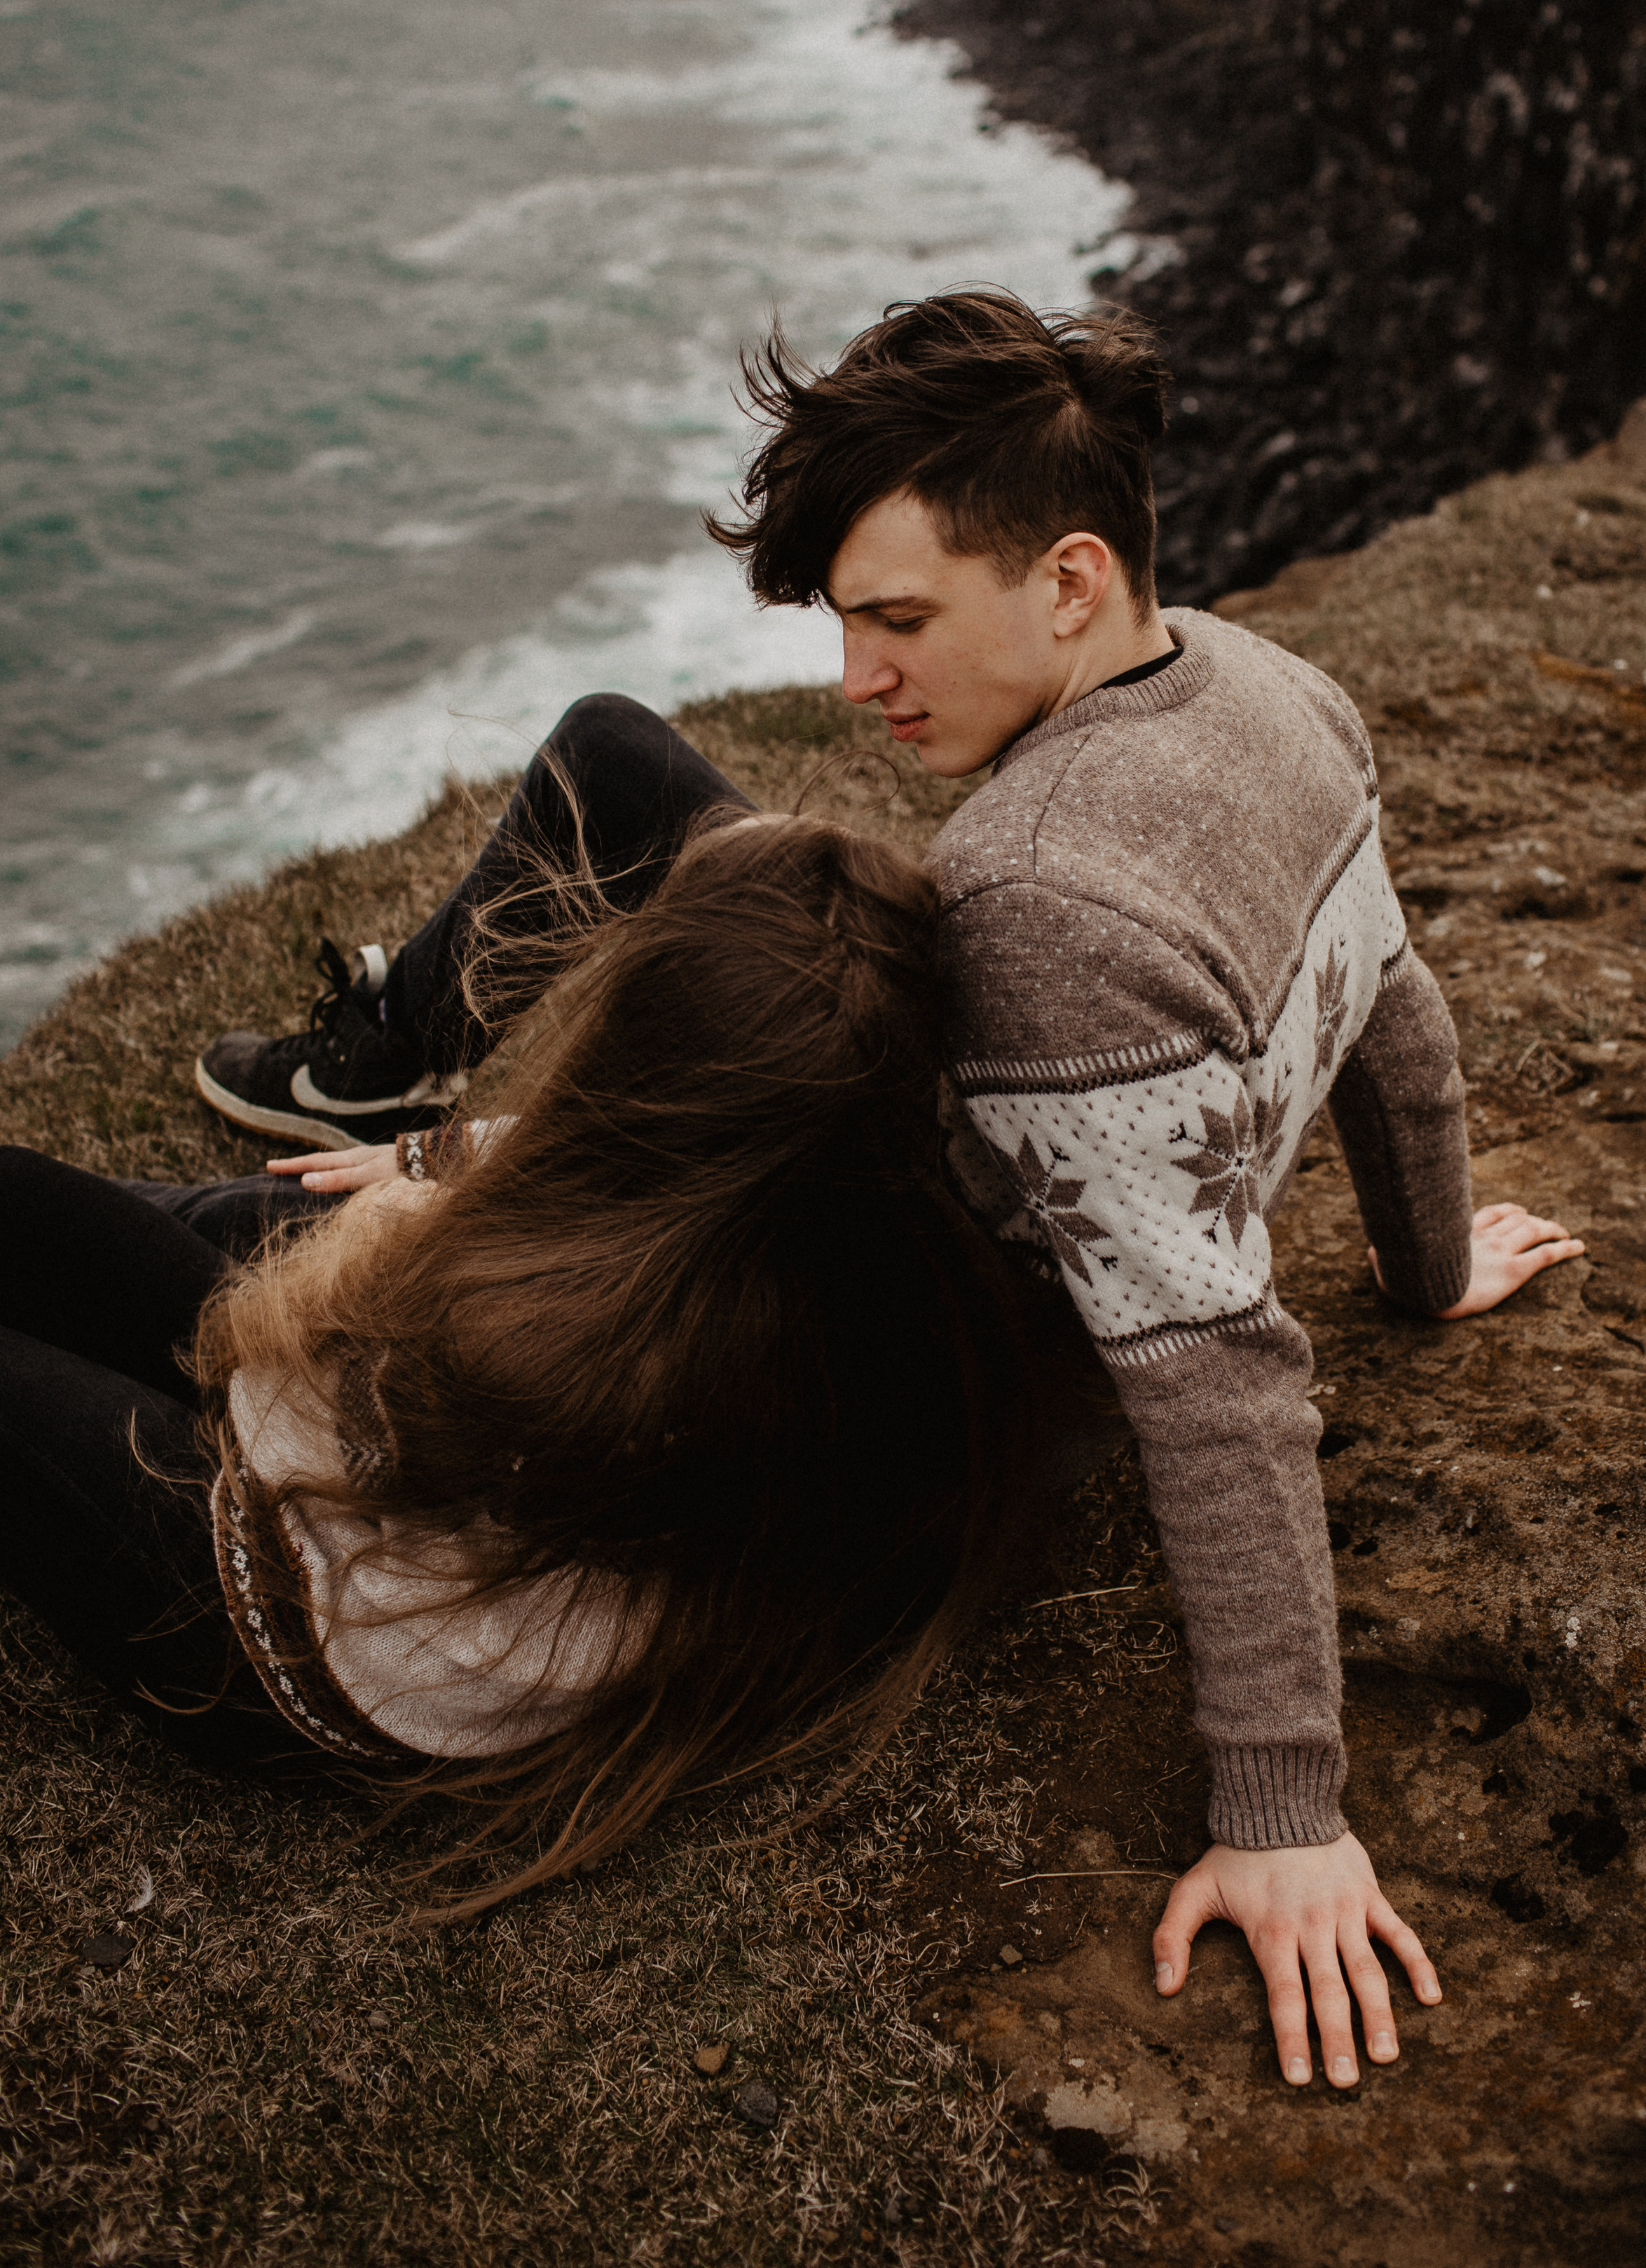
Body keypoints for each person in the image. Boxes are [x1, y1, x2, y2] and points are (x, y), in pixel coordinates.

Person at [192, 289, 1583, 2077]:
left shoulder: (1035, 916)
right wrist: (1421, 1256)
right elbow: (1388, 998)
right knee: (617, 757)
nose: (856, 687)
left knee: (246, 1246)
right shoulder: (1266, 688)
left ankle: (384, 1135)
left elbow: (1217, 1373)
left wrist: (1283, 1807)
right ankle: (383, 1057)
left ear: (1068, 581)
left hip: (879, 1317)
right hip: (935, 1153)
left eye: (899, 624)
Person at [1, 813, 1065, 1901]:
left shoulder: (579, 1352)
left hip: (277, 1635)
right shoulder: (850, 1232)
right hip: (382, 1505)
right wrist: (437, 1156)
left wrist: (399, 1205)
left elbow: (287, 1384)